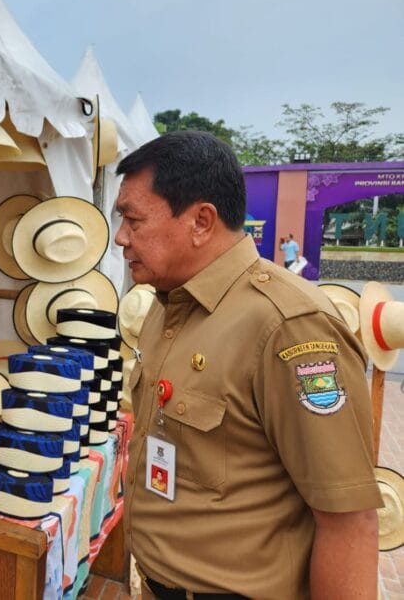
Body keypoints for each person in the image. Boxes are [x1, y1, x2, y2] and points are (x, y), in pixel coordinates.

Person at [114, 131, 381, 599]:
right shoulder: (168, 303)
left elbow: (348, 520)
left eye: (133, 221)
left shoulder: (289, 327)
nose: (120, 238)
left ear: (201, 221)